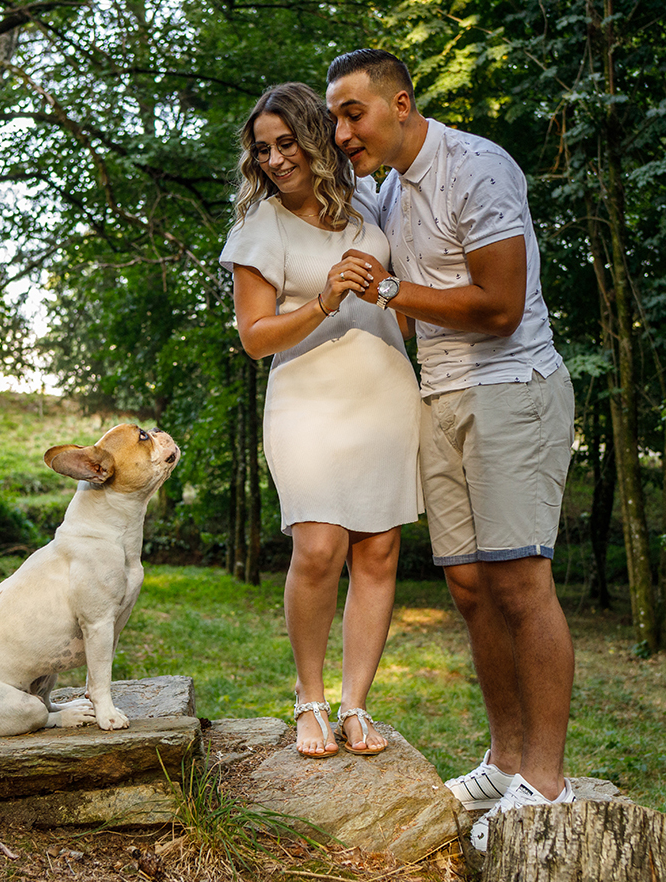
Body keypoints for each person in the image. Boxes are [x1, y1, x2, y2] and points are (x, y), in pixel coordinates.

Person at [325, 49, 576, 849]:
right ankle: (505, 761)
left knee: (520, 584)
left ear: (400, 104)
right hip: (438, 395)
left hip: (511, 389)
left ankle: (547, 783)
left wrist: (390, 289)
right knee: (469, 587)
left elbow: (501, 305)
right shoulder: (387, 189)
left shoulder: (478, 167)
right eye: (335, 118)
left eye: (353, 113)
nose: (343, 133)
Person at [219, 82, 423, 759]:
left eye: (287, 144)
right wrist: (325, 300)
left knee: (378, 552)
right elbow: (255, 338)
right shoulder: (261, 226)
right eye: (263, 150)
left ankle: (355, 705)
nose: (275, 159)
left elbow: (400, 308)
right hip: (306, 402)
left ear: (315, 140)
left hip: (385, 395)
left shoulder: (366, 207)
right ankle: (309, 698)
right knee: (317, 548)